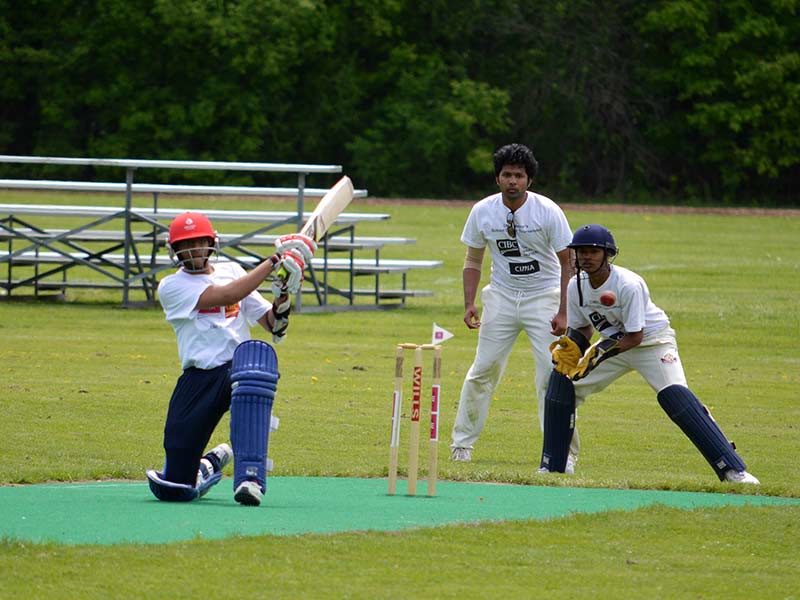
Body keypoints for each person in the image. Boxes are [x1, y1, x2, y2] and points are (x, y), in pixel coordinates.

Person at [539, 223, 759, 484]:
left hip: (653, 342)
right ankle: (556, 465)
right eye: (581, 252)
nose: (586, 257)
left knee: (676, 397)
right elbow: (584, 328)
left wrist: (597, 355)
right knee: (562, 383)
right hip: (614, 343)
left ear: (607, 254)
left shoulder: (629, 284)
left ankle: (733, 470)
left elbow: (635, 336)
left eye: (593, 252)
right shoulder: (575, 285)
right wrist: (572, 349)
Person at [145, 211, 317, 506]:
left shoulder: (233, 270)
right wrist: (275, 262)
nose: (193, 251)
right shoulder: (171, 287)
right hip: (198, 376)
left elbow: (272, 323)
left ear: (211, 243)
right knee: (174, 488)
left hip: (239, 368)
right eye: (185, 245)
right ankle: (208, 464)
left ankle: (250, 478)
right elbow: (225, 296)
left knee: (254, 369)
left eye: (199, 243)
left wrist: (284, 294)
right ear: (174, 251)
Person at [450, 143, 579, 468]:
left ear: (528, 180)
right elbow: (473, 258)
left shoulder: (547, 211)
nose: (512, 181)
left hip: (544, 298)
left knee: (552, 377)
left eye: (518, 176)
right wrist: (469, 303)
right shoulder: (482, 211)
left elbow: (569, 264)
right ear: (497, 179)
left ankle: (563, 455)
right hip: (502, 298)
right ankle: (461, 446)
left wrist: (564, 310)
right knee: (482, 370)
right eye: (506, 175)